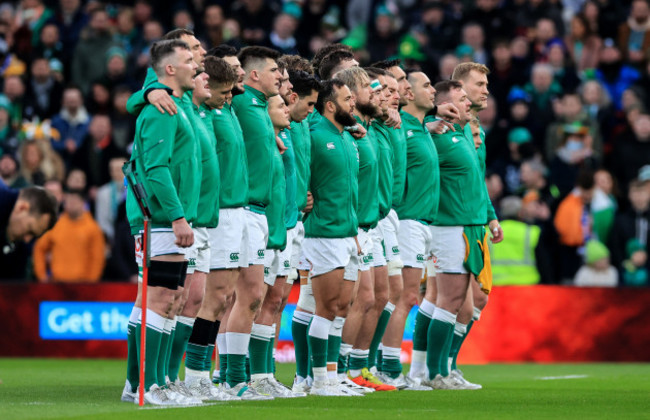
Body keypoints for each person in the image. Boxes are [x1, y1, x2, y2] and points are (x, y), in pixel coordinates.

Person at [121, 39, 201, 406]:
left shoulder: (176, 104)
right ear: (169, 69)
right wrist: (178, 216)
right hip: (160, 220)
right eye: (188, 59)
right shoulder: (160, 109)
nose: (195, 64)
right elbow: (155, 168)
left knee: (171, 299)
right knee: (159, 298)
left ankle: (155, 383)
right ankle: (147, 386)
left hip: (170, 219)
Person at [183, 56, 252, 400]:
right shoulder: (200, 111)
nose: (229, 96)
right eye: (224, 91)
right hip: (217, 212)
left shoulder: (222, 110)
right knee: (211, 298)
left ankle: (203, 375)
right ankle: (195, 375)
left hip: (226, 212)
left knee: (221, 298)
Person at [226, 45, 282, 399]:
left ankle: (234, 376)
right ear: (254, 75)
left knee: (250, 297)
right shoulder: (241, 100)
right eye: (276, 70)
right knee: (242, 296)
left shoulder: (261, 108)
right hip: (242, 208)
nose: (280, 76)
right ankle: (232, 378)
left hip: (259, 212)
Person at [334, 66, 393, 393]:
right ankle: (334, 371)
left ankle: (354, 368)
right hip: (349, 224)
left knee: (372, 296)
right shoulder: (345, 132)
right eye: (374, 89)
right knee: (346, 300)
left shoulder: (366, 129)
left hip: (370, 222)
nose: (380, 94)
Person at [425, 80, 486, 390]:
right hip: (448, 226)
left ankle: (441, 370)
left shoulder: (463, 134)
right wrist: (430, 119)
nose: (467, 103)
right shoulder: (436, 135)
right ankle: (434, 372)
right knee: (448, 300)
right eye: (461, 99)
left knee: (457, 299)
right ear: (445, 104)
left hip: (467, 225)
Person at [302, 79, 360, 396]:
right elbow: (296, 171)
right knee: (325, 307)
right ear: (330, 104)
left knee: (342, 306)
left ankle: (333, 376)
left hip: (347, 233)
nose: (353, 103)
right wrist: (303, 198)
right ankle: (318, 380)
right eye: (347, 98)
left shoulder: (346, 138)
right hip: (322, 232)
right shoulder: (313, 135)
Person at [33, 189, 105, 283]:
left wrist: (91, 283)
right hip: (57, 285)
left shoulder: (93, 228)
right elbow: (39, 248)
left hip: (82, 285)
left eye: (75, 201)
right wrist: (42, 276)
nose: (71, 204)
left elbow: (97, 258)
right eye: (68, 201)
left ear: (83, 204)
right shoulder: (56, 225)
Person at [0, 184, 57, 278]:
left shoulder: (19, 249)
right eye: (29, 230)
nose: (27, 239)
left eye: (34, 236)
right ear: (21, 208)